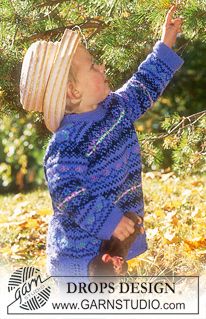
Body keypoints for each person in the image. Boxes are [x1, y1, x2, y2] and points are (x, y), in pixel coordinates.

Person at [20, 6, 183, 285]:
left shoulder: (115, 108)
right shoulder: (66, 143)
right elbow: (68, 194)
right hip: (78, 259)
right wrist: (110, 221)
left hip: (109, 250)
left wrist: (165, 45)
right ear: (74, 92)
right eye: (93, 65)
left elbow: (143, 85)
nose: (102, 66)